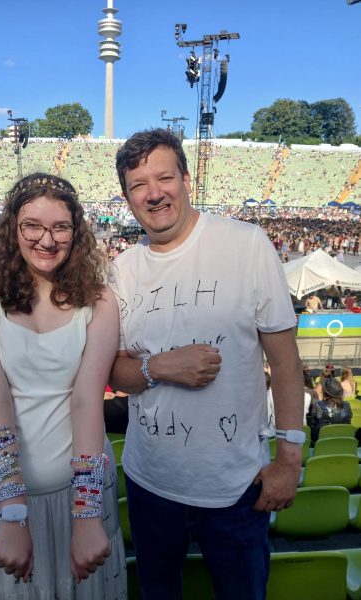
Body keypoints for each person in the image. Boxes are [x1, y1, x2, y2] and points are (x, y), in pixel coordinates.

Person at [109, 128, 304, 600]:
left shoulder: (247, 244)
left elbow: (285, 361)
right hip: (149, 482)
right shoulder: (121, 270)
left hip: (236, 487)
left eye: (164, 178)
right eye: (139, 185)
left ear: (187, 179)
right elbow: (114, 372)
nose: (154, 193)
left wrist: (289, 461)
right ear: (126, 197)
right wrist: (161, 367)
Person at [0, 173, 126, 599]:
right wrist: (12, 513)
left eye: (60, 227)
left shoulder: (100, 301)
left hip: (76, 493)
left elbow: (88, 402)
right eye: (33, 225)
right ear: (13, 228)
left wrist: (87, 516)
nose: (47, 240)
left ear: (76, 231)